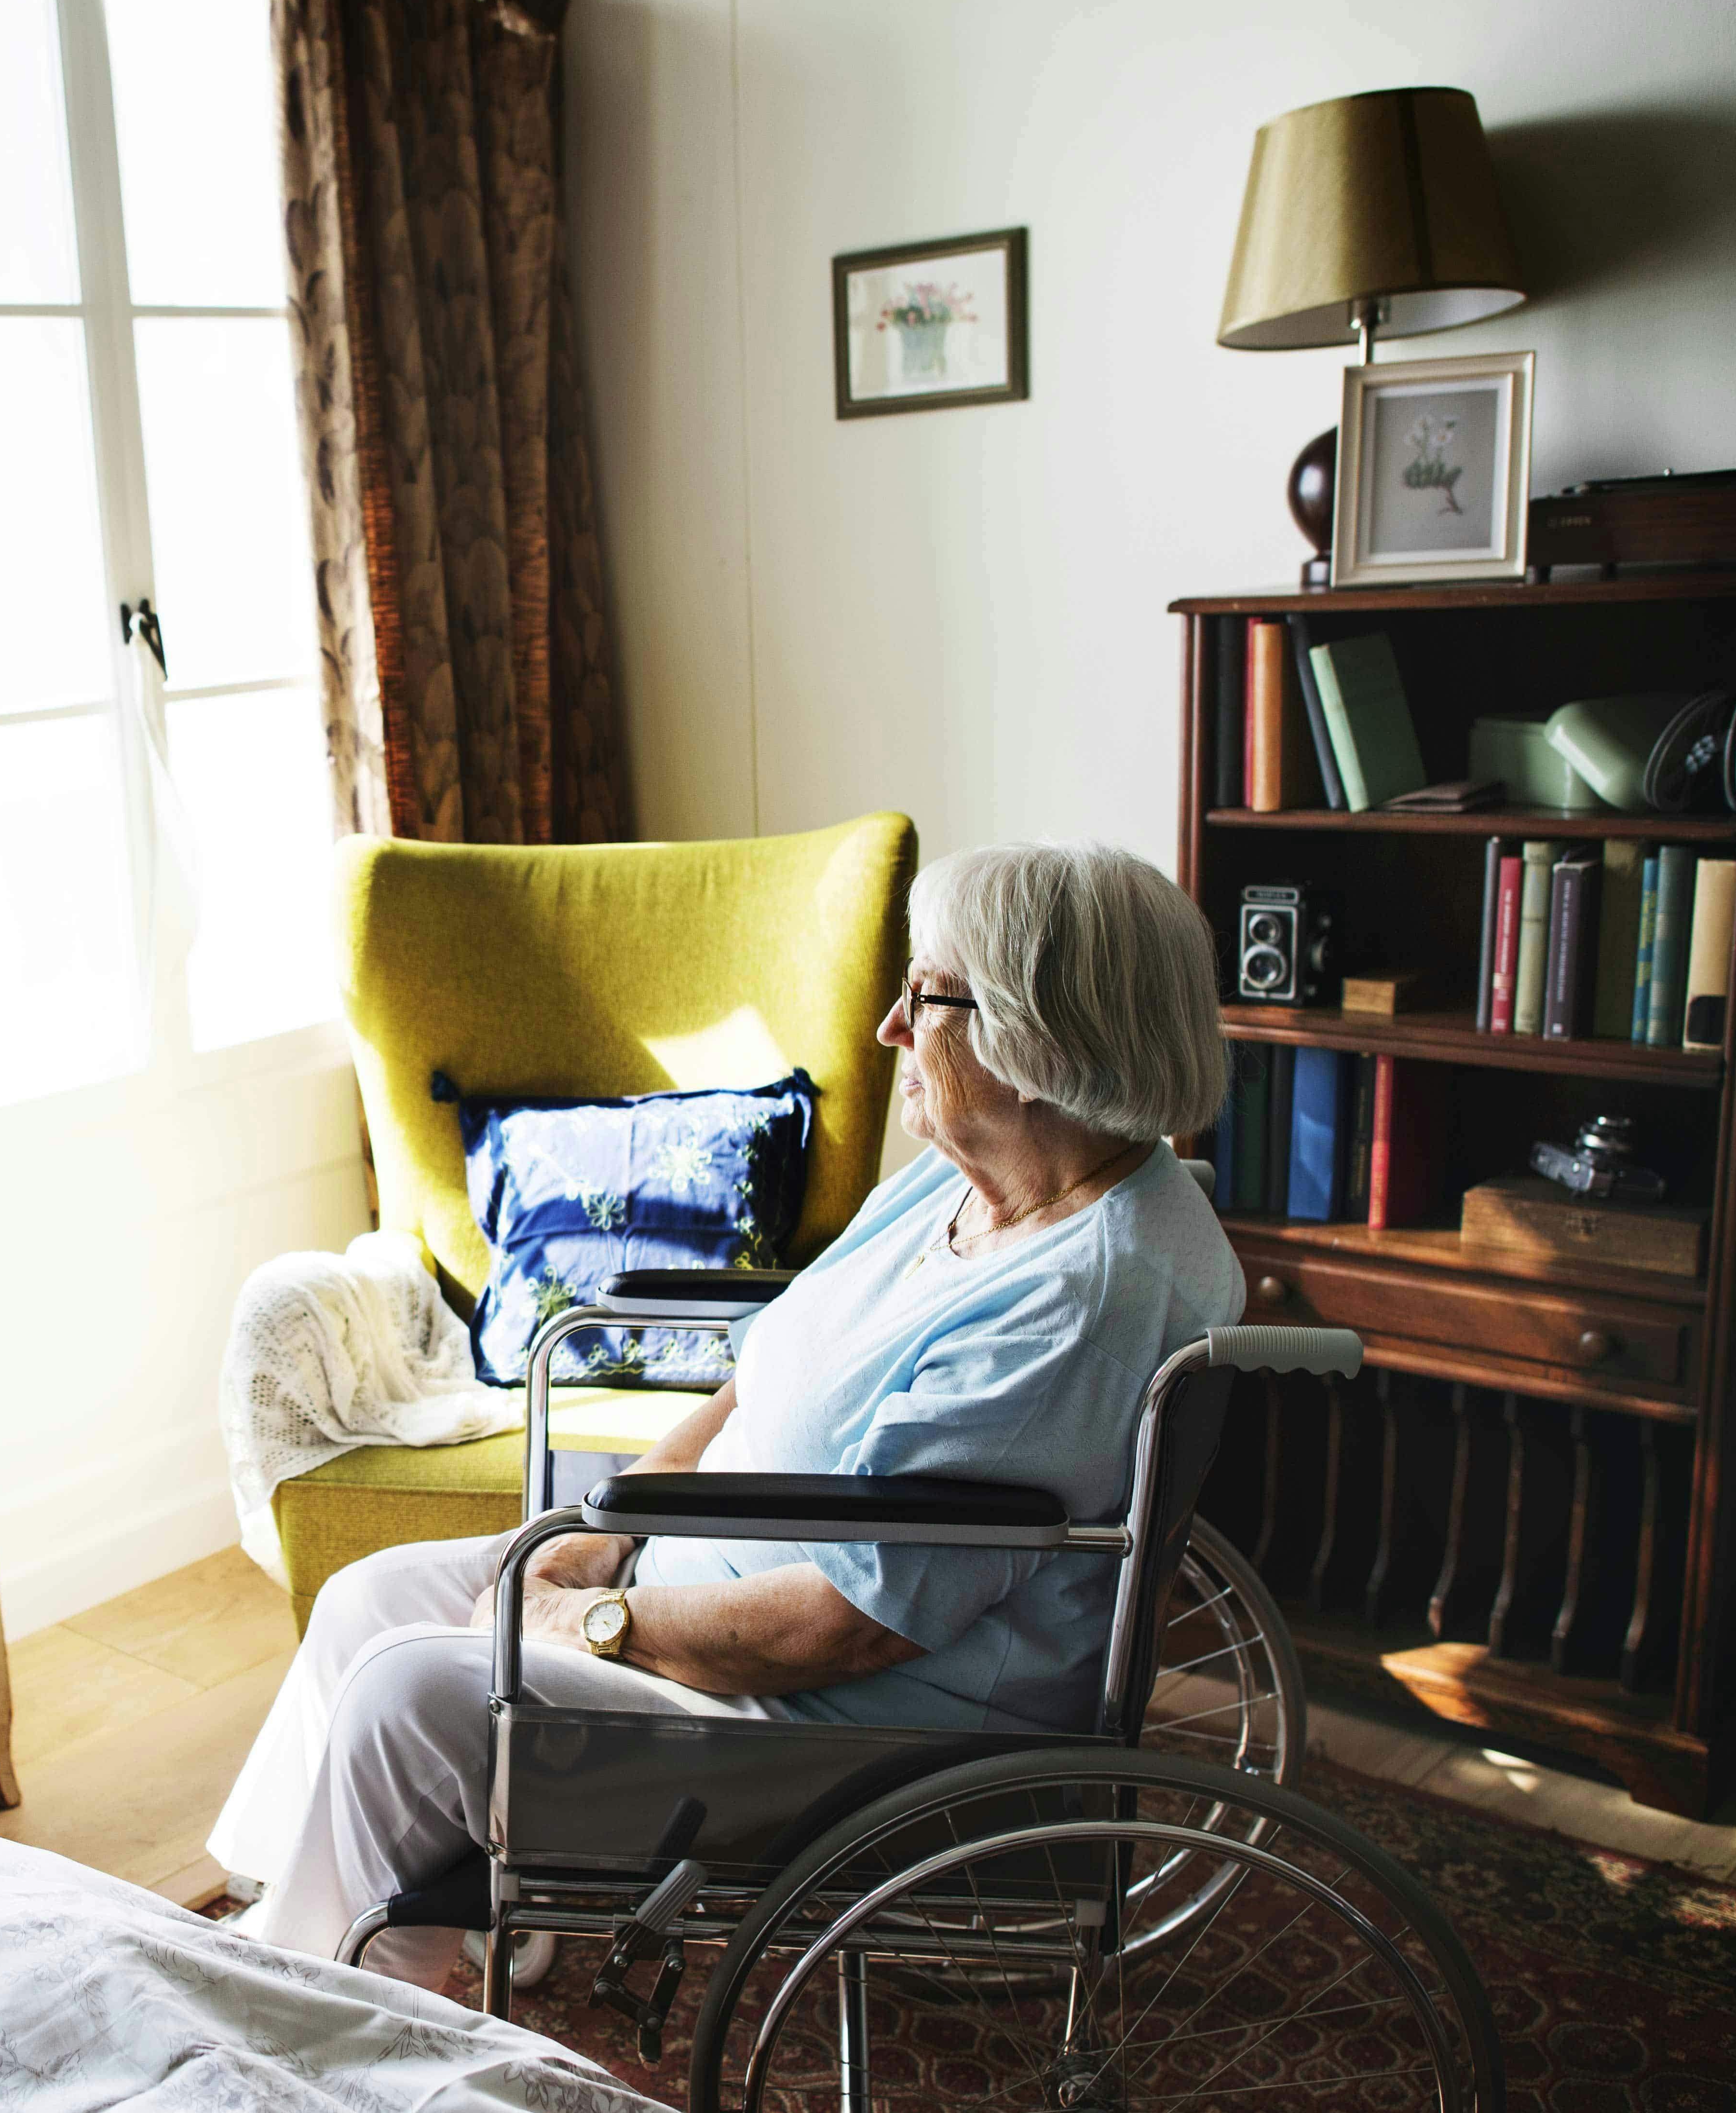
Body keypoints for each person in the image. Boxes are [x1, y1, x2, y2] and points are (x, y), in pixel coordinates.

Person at [209, 840, 1242, 1987]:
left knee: (411, 1689)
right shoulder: (961, 1181)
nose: (890, 1027)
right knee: (370, 1599)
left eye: (925, 995)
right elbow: (760, 1370)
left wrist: (587, 1625)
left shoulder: (1074, 1300)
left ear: (1038, 1037)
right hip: (702, 1595)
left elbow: (852, 1626)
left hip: (836, 1728)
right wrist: (610, 1530)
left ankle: (351, 2004)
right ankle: (296, 1930)